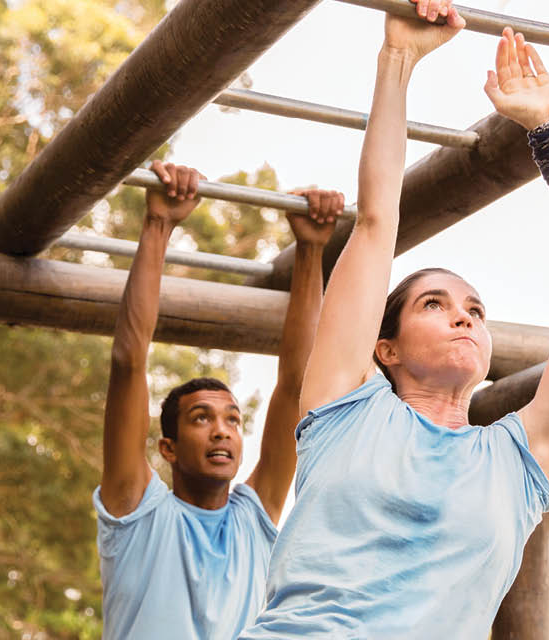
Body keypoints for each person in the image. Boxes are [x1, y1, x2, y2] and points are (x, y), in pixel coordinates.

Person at [239, 1, 549, 637]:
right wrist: (398, 58)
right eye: (434, 304)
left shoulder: (519, 461)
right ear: (384, 349)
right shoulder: (347, 407)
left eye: (475, 310)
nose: (463, 319)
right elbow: (375, 222)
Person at [94, 159, 344, 640]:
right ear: (167, 448)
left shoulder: (253, 518)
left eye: (232, 419)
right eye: (201, 419)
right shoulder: (137, 511)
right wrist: (159, 222)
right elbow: (129, 361)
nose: (221, 431)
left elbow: (297, 384)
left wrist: (311, 249)